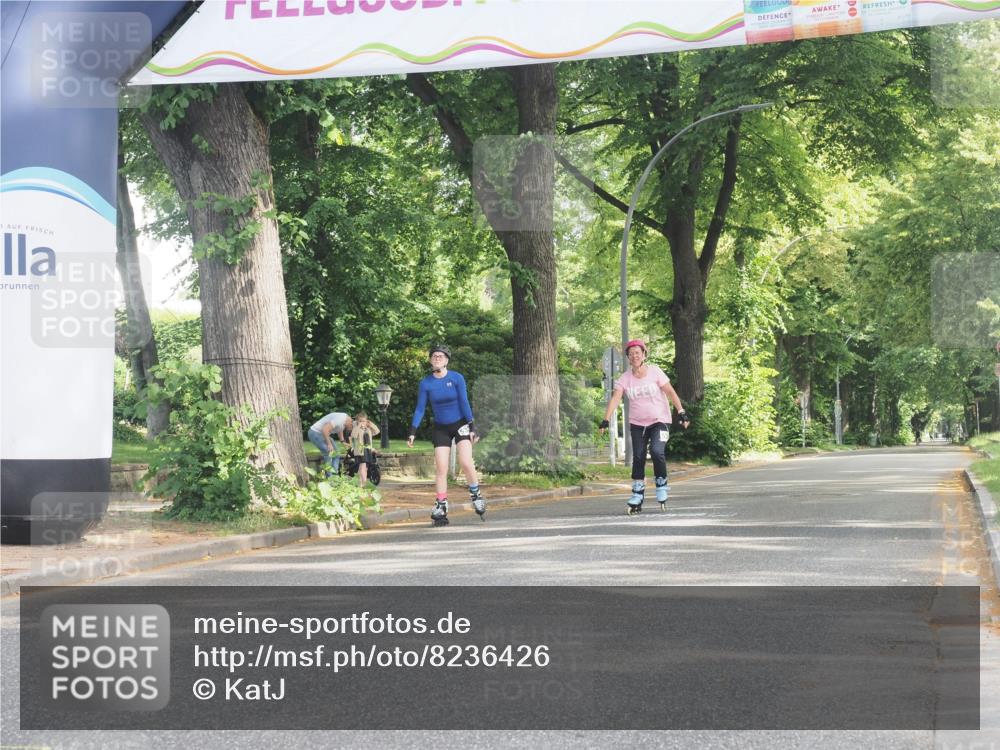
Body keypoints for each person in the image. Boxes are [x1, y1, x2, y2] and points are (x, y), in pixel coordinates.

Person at [600, 339, 690, 514]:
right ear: (628, 357)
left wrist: (681, 412)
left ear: (643, 355)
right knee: (639, 457)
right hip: (638, 423)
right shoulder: (625, 378)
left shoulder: (655, 372)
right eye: (631, 353)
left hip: (660, 421)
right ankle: (637, 493)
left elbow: (670, 392)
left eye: (637, 353)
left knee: (657, 452)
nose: (634, 356)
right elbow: (616, 398)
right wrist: (605, 419)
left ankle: (661, 484)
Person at [408, 345, 485, 526]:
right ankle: (441, 505)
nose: (437, 358)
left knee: (466, 462)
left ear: (447, 360)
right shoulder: (426, 383)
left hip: (460, 425)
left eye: (441, 356)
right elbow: (420, 408)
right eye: (434, 356)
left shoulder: (456, 378)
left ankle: (476, 494)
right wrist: (412, 431)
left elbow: (464, 402)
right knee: (441, 468)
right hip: (441, 427)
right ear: (430, 360)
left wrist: (472, 426)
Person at [348, 411, 380, 487]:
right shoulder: (356, 428)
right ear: (357, 421)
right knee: (362, 466)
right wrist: (358, 426)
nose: (362, 422)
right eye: (360, 421)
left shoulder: (368, 429)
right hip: (360, 450)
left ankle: (360, 484)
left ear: (366, 421)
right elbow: (353, 435)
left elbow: (377, 431)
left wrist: (370, 424)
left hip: (367, 450)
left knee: (364, 468)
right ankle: (364, 484)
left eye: (363, 421)